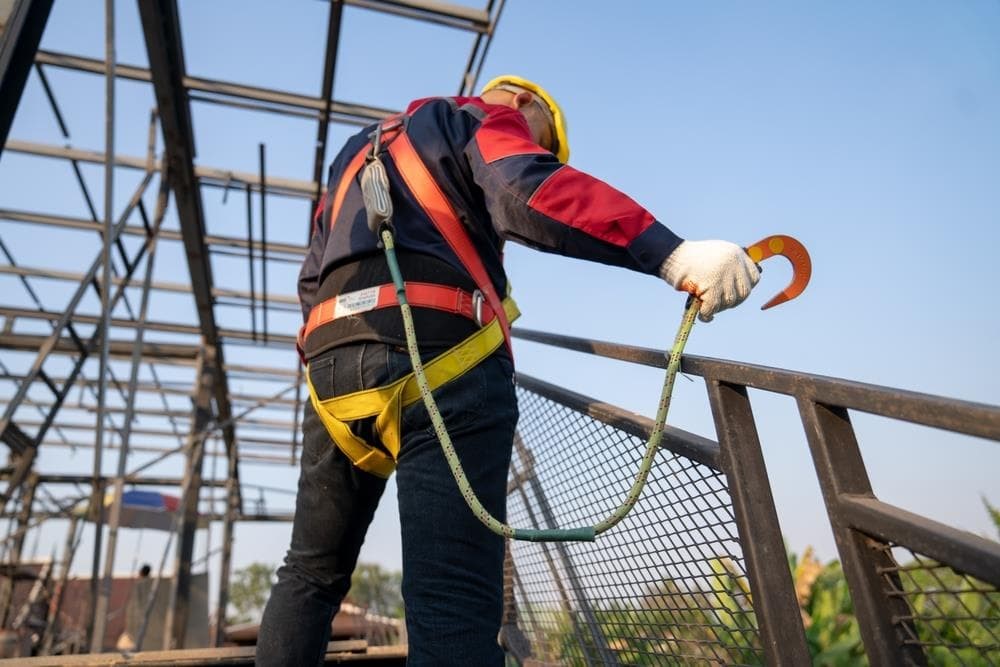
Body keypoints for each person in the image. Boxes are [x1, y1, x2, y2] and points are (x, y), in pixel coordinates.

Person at [256, 75, 760, 666]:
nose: (535, 143)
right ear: (523, 102)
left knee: (310, 574)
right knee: (450, 599)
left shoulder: (354, 153)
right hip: (445, 362)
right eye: (541, 136)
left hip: (334, 377)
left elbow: (311, 272)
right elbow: (523, 187)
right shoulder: (474, 120)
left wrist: (330, 362)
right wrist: (668, 251)